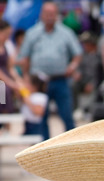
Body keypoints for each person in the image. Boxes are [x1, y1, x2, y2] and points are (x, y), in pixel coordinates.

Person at [18, 2, 82, 140]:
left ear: (57, 15)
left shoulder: (66, 32)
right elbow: (25, 57)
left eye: (52, 14)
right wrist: (26, 78)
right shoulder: (32, 33)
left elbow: (77, 53)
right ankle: (44, 150)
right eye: (47, 14)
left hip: (60, 79)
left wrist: (72, 66)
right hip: (39, 81)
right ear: (41, 15)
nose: (49, 17)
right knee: (41, 117)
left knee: (67, 115)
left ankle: (72, 147)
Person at [0, 19, 19, 114]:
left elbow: (11, 68)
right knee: (3, 89)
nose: (8, 37)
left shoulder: (8, 45)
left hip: (6, 79)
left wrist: (18, 81)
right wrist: (11, 83)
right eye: (6, 34)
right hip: (2, 82)